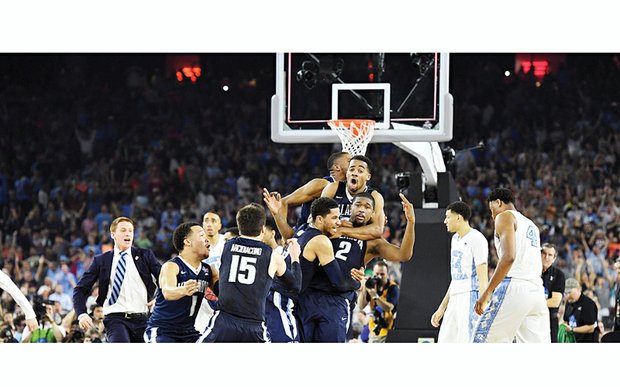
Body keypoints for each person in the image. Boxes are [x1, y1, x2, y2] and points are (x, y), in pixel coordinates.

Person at [198, 203, 302, 343]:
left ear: (239, 226)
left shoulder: (226, 247)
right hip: (254, 325)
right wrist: (295, 257)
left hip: (224, 320)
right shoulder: (272, 256)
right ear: (263, 229)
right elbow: (295, 286)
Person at [472, 188, 549, 343]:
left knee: (481, 341)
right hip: (536, 292)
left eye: (491, 209)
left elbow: (509, 257)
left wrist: (487, 292)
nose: (492, 214)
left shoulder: (504, 216)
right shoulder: (532, 225)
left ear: (498, 203)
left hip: (515, 287)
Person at [73, 217, 162, 343]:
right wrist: (82, 314)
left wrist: (160, 297)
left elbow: (165, 278)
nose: (128, 234)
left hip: (143, 319)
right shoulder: (101, 260)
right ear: (113, 234)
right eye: (123, 230)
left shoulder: (145, 255)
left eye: (131, 231)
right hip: (115, 319)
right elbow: (80, 289)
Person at [145, 222, 218, 343]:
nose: (207, 239)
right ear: (187, 242)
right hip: (163, 331)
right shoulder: (171, 266)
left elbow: (226, 295)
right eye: (201, 235)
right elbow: (168, 292)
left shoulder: (209, 271)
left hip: (189, 332)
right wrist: (183, 290)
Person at [431, 201, 489, 343]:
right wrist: (441, 308)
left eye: (448, 217)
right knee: (445, 340)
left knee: (466, 341)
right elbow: (456, 279)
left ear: (458, 218)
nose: (445, 221)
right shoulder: (455, 239)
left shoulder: (477, 239)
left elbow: (483, 278)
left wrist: (483, 303)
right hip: (455, 298)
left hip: (470, 297)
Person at [272, 151, 351, 240]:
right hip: (307, 237)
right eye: (349, 161)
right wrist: (288, 235)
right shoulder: (322, 184)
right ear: (337, 167)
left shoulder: (350, 190)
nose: (353, 163)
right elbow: (284, 202)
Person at [321, 155, 385, 240]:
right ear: (347, 173)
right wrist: (337, 223)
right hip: (331, 239)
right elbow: (316, 220)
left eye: (360, 171)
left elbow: (377, 230)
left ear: (368, 177)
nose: (354, 173)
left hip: (358, 243)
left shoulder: (374, 196)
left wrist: (342, 231)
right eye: (351, 169)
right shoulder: (333, 188)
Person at [194, 211, 225, 333]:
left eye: (213, 221)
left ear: (220, 226)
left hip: (225, 293)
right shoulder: (196, 245)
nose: (209, 224)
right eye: (206, 220)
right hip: (205, 296)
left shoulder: (226, 242)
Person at [357, 260, 400, 343]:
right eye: (376, 274)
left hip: (389, 330)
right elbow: (361, 305)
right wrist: (364, 289)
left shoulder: (393, 287)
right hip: (374, 329)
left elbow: (389, 307)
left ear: (387, 274)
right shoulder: (372, 286)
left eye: (382, 274)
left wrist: (375, 296)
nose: (379, 277)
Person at [541, 242, 566, 342]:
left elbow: (555, 302)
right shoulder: (531, 271)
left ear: (554, 258)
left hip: (550, 321)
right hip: (531, 320)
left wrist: (533, 304)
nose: (546, 257)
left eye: (550, 255)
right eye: (544, 253)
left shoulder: (558, 275)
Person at [561, 277, 599, 342]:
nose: (567, 295)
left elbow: (591, 328)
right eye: (566, 293)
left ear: (578, 289)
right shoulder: (569, 302)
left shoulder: (588, 304)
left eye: (570, 292)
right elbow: (566, 320)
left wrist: (573, 329)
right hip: (573, 340)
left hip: (587, 341)